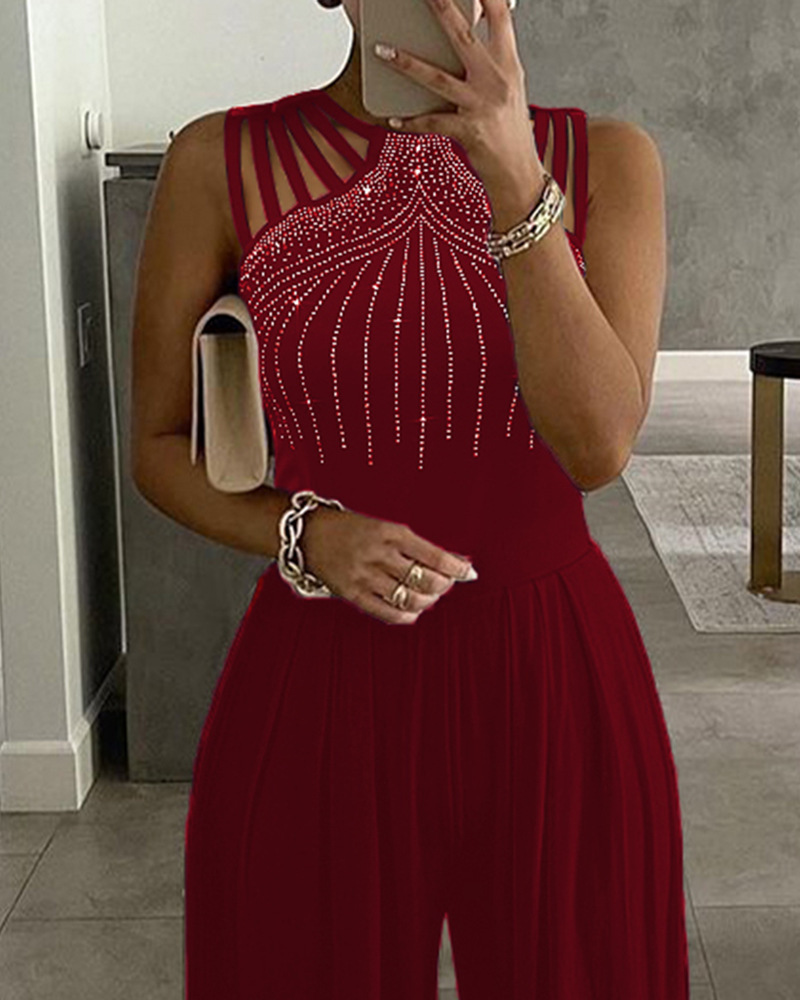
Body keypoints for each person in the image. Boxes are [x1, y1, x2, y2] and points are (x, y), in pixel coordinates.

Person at [130, 0, 688, 996]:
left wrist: (512, 174)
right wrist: (305, 534)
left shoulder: (606, 161)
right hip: (321, 667)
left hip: (550, 674)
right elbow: (158, 446)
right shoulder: (217, 162)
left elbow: (598, 445)